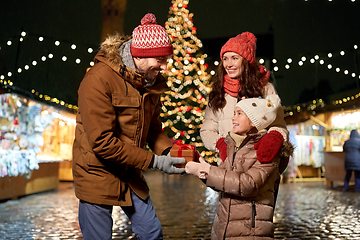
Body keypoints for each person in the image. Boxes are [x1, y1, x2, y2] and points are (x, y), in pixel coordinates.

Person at [72, 13, 186, 240]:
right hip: (97, 172)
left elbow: (153, 128)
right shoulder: (98, 79)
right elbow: (102, 143)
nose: (165, 66)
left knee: (151, 233)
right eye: (160, 59)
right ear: (140, 56)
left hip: (129, 172)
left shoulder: (150, 82)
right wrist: (154, 161)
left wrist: (172, 153)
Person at [185, 94, 293, 239]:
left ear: (254, 121)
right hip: (224, 229)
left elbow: (248, 184)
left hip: (250, 231)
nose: (233, 118)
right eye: (234, 113)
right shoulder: (233, 146)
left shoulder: (267, 150)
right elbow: (223, 181)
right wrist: (203, 170)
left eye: (239, 114)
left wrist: (207, 171)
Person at [200, 32, 289, 165]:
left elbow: (279, 125)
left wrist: (274, 138)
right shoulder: (218, 92)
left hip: (258, 164)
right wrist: (220, 144)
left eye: (234, 58)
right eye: (225, 58)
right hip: (228, 165)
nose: (228, 64)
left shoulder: (264, 88)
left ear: (246, 61)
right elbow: (207, 130)